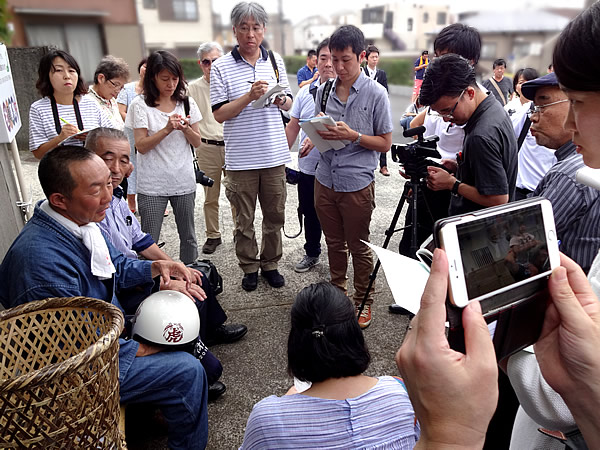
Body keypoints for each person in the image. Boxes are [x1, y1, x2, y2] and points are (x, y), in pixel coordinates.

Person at [0, 145, 208, 449]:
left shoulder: (77, 222)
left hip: (104, 331)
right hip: (73, 371)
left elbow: (117, 266)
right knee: (187, 369)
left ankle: (160, 406)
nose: (109, 197)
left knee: (181, 317)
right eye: (96, 189)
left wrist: (157, 267)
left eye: (110, 183)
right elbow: (74, 345)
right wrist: (146, 346)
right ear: (59, 199)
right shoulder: (41, 263)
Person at [87, 127, 248, 400]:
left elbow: (140, 241)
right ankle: (190, 361)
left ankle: (209, 331)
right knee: (186, 296)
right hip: (121, 286)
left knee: (196, 274)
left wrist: (176, 266)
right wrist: (164, 281)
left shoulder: (115, 199)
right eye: (107, 158)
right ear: (88, 160)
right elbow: (115, 272)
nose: (116, 168)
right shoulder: (89, 211)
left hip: (133, 271)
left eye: (124, 160)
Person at [240, 282, 419, 449]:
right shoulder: (402, 393)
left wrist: (284, 407)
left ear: (296, 341)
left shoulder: (268, 420)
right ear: (353, 334)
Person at [308, 25, 393, 328]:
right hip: (325, 178)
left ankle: (363, 300)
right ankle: (337, 294)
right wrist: (312, 138)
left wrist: (355, 135)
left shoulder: (376, 93)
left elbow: (385, 143)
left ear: (361, 56)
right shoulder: (325, 88)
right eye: (333, 59)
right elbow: (321, 124)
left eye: (345, 60)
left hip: (357, 183)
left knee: (358, 245)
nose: (338, 67)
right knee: (333, 243)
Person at [210, 1, 292, 292]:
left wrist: (280, 100)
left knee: (274, 215)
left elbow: (290, 103)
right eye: (244, 27)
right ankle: (249, 266)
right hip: (240, 159)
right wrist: (248, 96)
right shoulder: (221, 66)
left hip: (273, 155)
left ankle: (270, 263)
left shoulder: (275, 61)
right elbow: (219, 113)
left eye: (256, 27)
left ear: (264, 29)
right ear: (234, 31)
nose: (250, 34)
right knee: (243, 219)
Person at [126, 50, 202, 265]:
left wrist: (186, 129)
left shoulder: (186, 103)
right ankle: (151, 281)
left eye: (175, 79)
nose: (171, 84)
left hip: (184, 180)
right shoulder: (140, 105)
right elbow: (141, 146)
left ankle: (191, 276)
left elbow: (197, 142)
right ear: (153, 78)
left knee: (189, 236)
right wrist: (167, 128)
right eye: (165, 79)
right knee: (148, 240)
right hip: (152, 185)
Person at [521, 72, 600, 273]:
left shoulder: (570, 174)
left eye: (542, 106)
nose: (533, 117)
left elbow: (525, 238)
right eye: (533, 108)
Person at [422, 54, 517, 217]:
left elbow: (499, 198)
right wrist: (461, 167)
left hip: (480, 229)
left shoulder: (480, 136)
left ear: (470, 93)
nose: (446, 118)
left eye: (447, 110)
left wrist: (452, 183)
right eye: (439, 113)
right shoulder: (493, 106)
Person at [285, 38, 334, 273]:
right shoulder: (305, 93)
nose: (328, 63)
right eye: (322, 58)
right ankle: (312, 252)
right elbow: (293, 126)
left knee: (335, 217)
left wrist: (314, 140)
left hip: (337, 171)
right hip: (308, 168)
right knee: (309, 211)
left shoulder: (347, 95)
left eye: (332, 58)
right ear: (316, 62)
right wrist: (281, 155)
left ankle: (338, 257)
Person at [188, 42, 234, 255]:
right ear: (200, 64)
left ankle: (239, 231)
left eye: (215, 61)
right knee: (210, 196)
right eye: (206, 62)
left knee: (237, 193)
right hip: (207, 147)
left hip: (233, 145)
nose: (211, 65)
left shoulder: (232, 85)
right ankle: (213, 235)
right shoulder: (192, 89)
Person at [29, 49, 113, 159]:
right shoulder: (38, 108)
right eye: (59, 70)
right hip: (59, 173)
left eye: (72, 70)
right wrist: (60, 138)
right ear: (46, 76)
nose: (67, 76)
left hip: (93, 170)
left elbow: (113, 136)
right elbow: (38, 153)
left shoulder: (90, 103)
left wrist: (92, 138)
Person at [507, 68, 557, 200]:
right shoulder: (525, 112)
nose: (534, 117)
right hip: (519, 189)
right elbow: (507, 135)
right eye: (538, 106)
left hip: (545, 193)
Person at [117, 58, 147, 214]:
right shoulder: (127, 89)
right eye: (144, 66)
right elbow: (121, 111)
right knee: (131, 165)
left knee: (149, 166)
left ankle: (150, 201)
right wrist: (136, 123)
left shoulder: (154, 90)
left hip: (148, 134)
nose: (146, 69)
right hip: (130, 132)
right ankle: (131, 202)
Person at [363, 44, 391, 176]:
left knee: (383, 134)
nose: (375, 59)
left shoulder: (381, 74)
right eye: (372, 57)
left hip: (378, 108)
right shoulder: (362, 72)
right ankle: (367, 163)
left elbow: (386, 92)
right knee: (367, 135)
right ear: (366, 58)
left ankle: (383, 165)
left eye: (376, 57)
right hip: (364, 108)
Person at [88, 55, 129, 130]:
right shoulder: (87, 100)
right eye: (116, 84)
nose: (118, 90)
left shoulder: (112, 100)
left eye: (121, 87)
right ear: (101, 78)